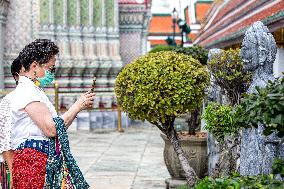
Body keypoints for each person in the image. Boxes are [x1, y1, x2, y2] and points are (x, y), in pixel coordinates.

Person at [8, 39, 95, 189]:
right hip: (32, 163)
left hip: (40, 160)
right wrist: (76, 106)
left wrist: (77, 108)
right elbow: (51, 129)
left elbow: (56, 127)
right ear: (34, 66)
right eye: (50, 68)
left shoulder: (34, 90)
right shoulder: (27, 91)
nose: (52, 73)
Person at [0, 56, 23, 189]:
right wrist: (14, 175)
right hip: (14, 166)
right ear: (16, 76)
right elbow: (5, 139)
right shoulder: (9, 101)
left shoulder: (39, 98)